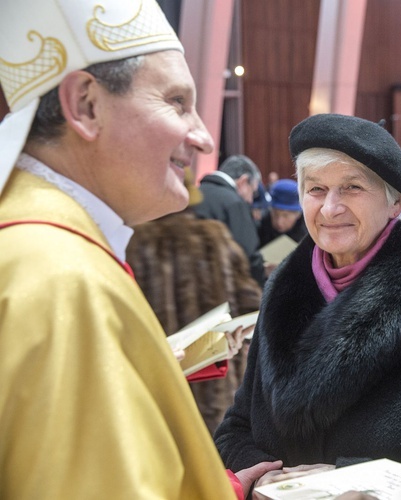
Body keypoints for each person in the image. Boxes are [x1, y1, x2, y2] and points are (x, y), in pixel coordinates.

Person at [0, 0, 280, 497]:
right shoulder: (62, 278)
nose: (204, 137)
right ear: (86, 105)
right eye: (177, 101)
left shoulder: (42, 248)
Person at [214, 113, 401, 492]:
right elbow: (236, 429)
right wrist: (263, 474)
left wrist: (347, 480)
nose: (330, 208)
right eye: (316, 189)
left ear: (395, 202)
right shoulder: (280, 301)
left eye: (352, 187)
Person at [126, 175, 263, 434]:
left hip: (160, 383)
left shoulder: (134, 244)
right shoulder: (215, 236)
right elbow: (250, 303)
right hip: (215, 382)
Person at [193, 154, 266, 285]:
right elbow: (248, 256)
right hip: (220, 289)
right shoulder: (234, 203)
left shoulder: (191, 196)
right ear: (243, 181)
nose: (250, 200)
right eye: (252, 192)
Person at [258, 178, 308, 247]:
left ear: (298, 215)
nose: (279, 222)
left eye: (285, 216)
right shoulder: (260, 225)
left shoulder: (308, 235)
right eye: (275, 214)